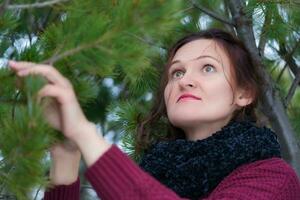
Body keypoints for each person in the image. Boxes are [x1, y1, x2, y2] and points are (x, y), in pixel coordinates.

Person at [9, 29, 300, 200]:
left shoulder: (273, 178)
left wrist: (84, 133)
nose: (184, 80)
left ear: (243, 94)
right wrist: (66, 154)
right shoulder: (147, 176)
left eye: (207, 67)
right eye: (176, 72)